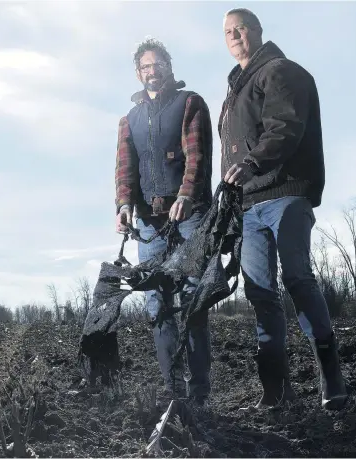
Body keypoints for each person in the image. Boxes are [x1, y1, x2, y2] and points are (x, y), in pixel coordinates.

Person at [219, 8, 347, 410]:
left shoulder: (281, 71)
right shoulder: (234, 88)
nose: (236, 35)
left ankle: (333, 382)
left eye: (242, 28)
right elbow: (230, 156)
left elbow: (286, 127)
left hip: (286, 193)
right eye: (229, 32)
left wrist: (255, 163)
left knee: (297, 278)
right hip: (250, 205)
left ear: (257, 31)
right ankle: (276, 390)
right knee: (260, 292)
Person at [115, 38, 214, 405]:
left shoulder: (189, 103)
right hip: (149, 224)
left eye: (157, 64)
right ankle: (173, 387)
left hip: (188, 216)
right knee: (157, 302)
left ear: (169, 67)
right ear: (138, 73)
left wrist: (187, 195)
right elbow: (125, 168)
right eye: (145, 66)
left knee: (192, 298)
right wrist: (124, 205)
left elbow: (197, 155)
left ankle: (200, 388)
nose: (151, 71)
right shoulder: (130, 120)